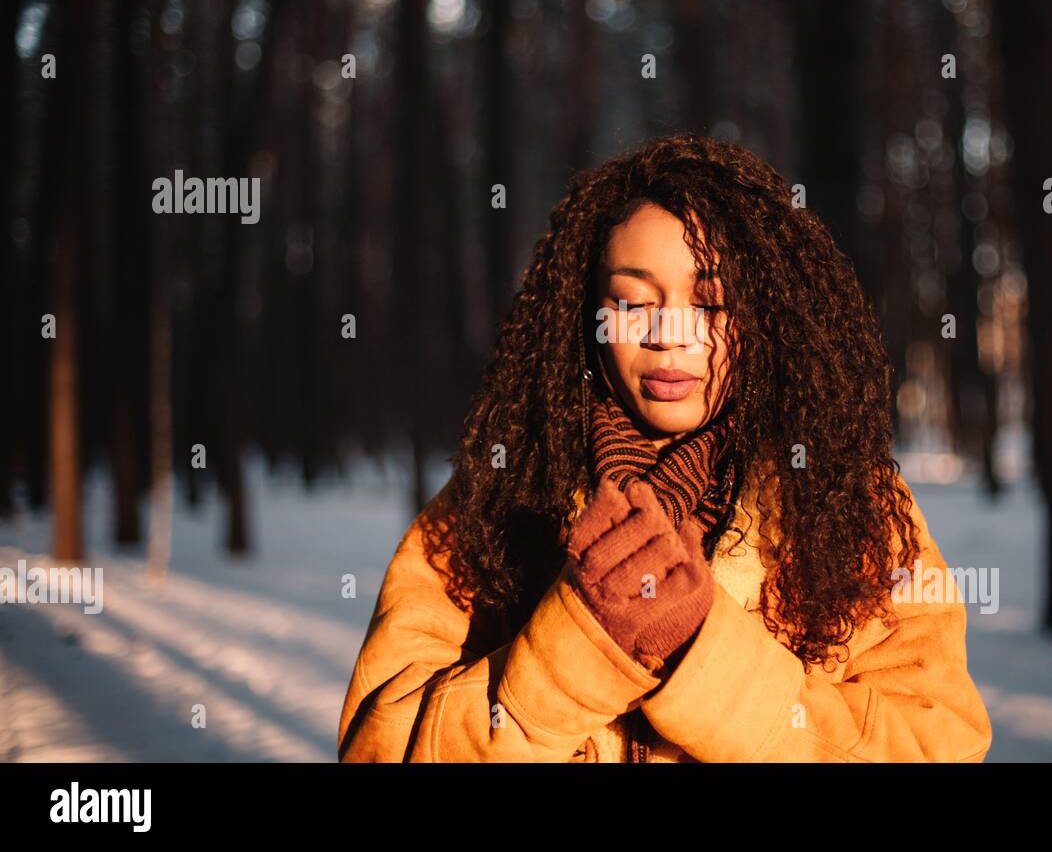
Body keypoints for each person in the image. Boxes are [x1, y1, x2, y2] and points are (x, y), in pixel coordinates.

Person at [337, 133, 993, 762]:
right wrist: (576, 646)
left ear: (763, 313)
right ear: (586, 316)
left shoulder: (848, 503)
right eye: (631, 302)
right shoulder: (494, 501)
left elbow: (941, 744)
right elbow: (379, 745)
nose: (668, 335)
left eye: (710, 304)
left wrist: (701, 649)